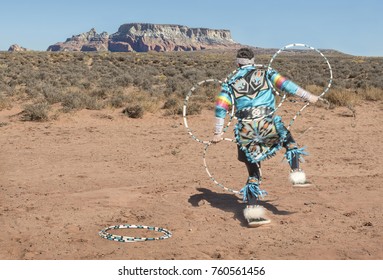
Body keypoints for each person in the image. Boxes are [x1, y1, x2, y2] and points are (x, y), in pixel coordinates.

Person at [212, 47, 319, 227]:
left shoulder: (229, 82)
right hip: (267, 124)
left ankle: (253, 214)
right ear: (253, 61)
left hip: (246, 130)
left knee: (254, 172)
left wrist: (218, 132)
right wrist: (308, 97)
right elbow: (286, 85)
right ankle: (297, 174)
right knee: (290, 142)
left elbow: (221, 107)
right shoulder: (267, 72)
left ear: (237, 64)